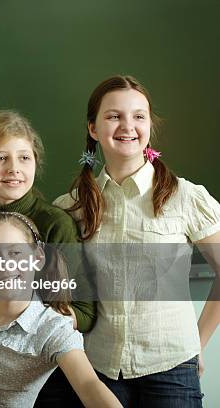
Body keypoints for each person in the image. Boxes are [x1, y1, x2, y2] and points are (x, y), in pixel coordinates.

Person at [54, 75, 220, 407]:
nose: (127, 125)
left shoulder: (185, 197)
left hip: (172, 369)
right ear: (93, 129)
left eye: (138, 116)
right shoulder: (71, 207)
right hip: (98, 371)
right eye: (114, 116)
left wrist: (198, 343)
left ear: (148, 127)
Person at [0, 110, 96, 405]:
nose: (14, 168)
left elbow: (84, 311)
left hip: (47, 376)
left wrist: (28, 322)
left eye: (24, 158)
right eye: (1, 158)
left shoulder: (56, 223)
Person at [0, 212, 121, 407]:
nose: (4, 264)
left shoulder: (52, 329)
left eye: (15, 253)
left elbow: (89, 385)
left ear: (38, 258)